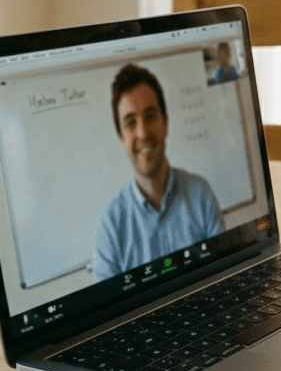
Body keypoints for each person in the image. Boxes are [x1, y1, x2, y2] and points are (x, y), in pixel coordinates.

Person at [93, 63, 224, 281]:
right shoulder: (109, 230)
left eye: (151, 116)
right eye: (130, 122)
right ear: (121, 138)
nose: (143, 132)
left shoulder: (200, 195)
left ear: (166, 123)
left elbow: (224, 274)